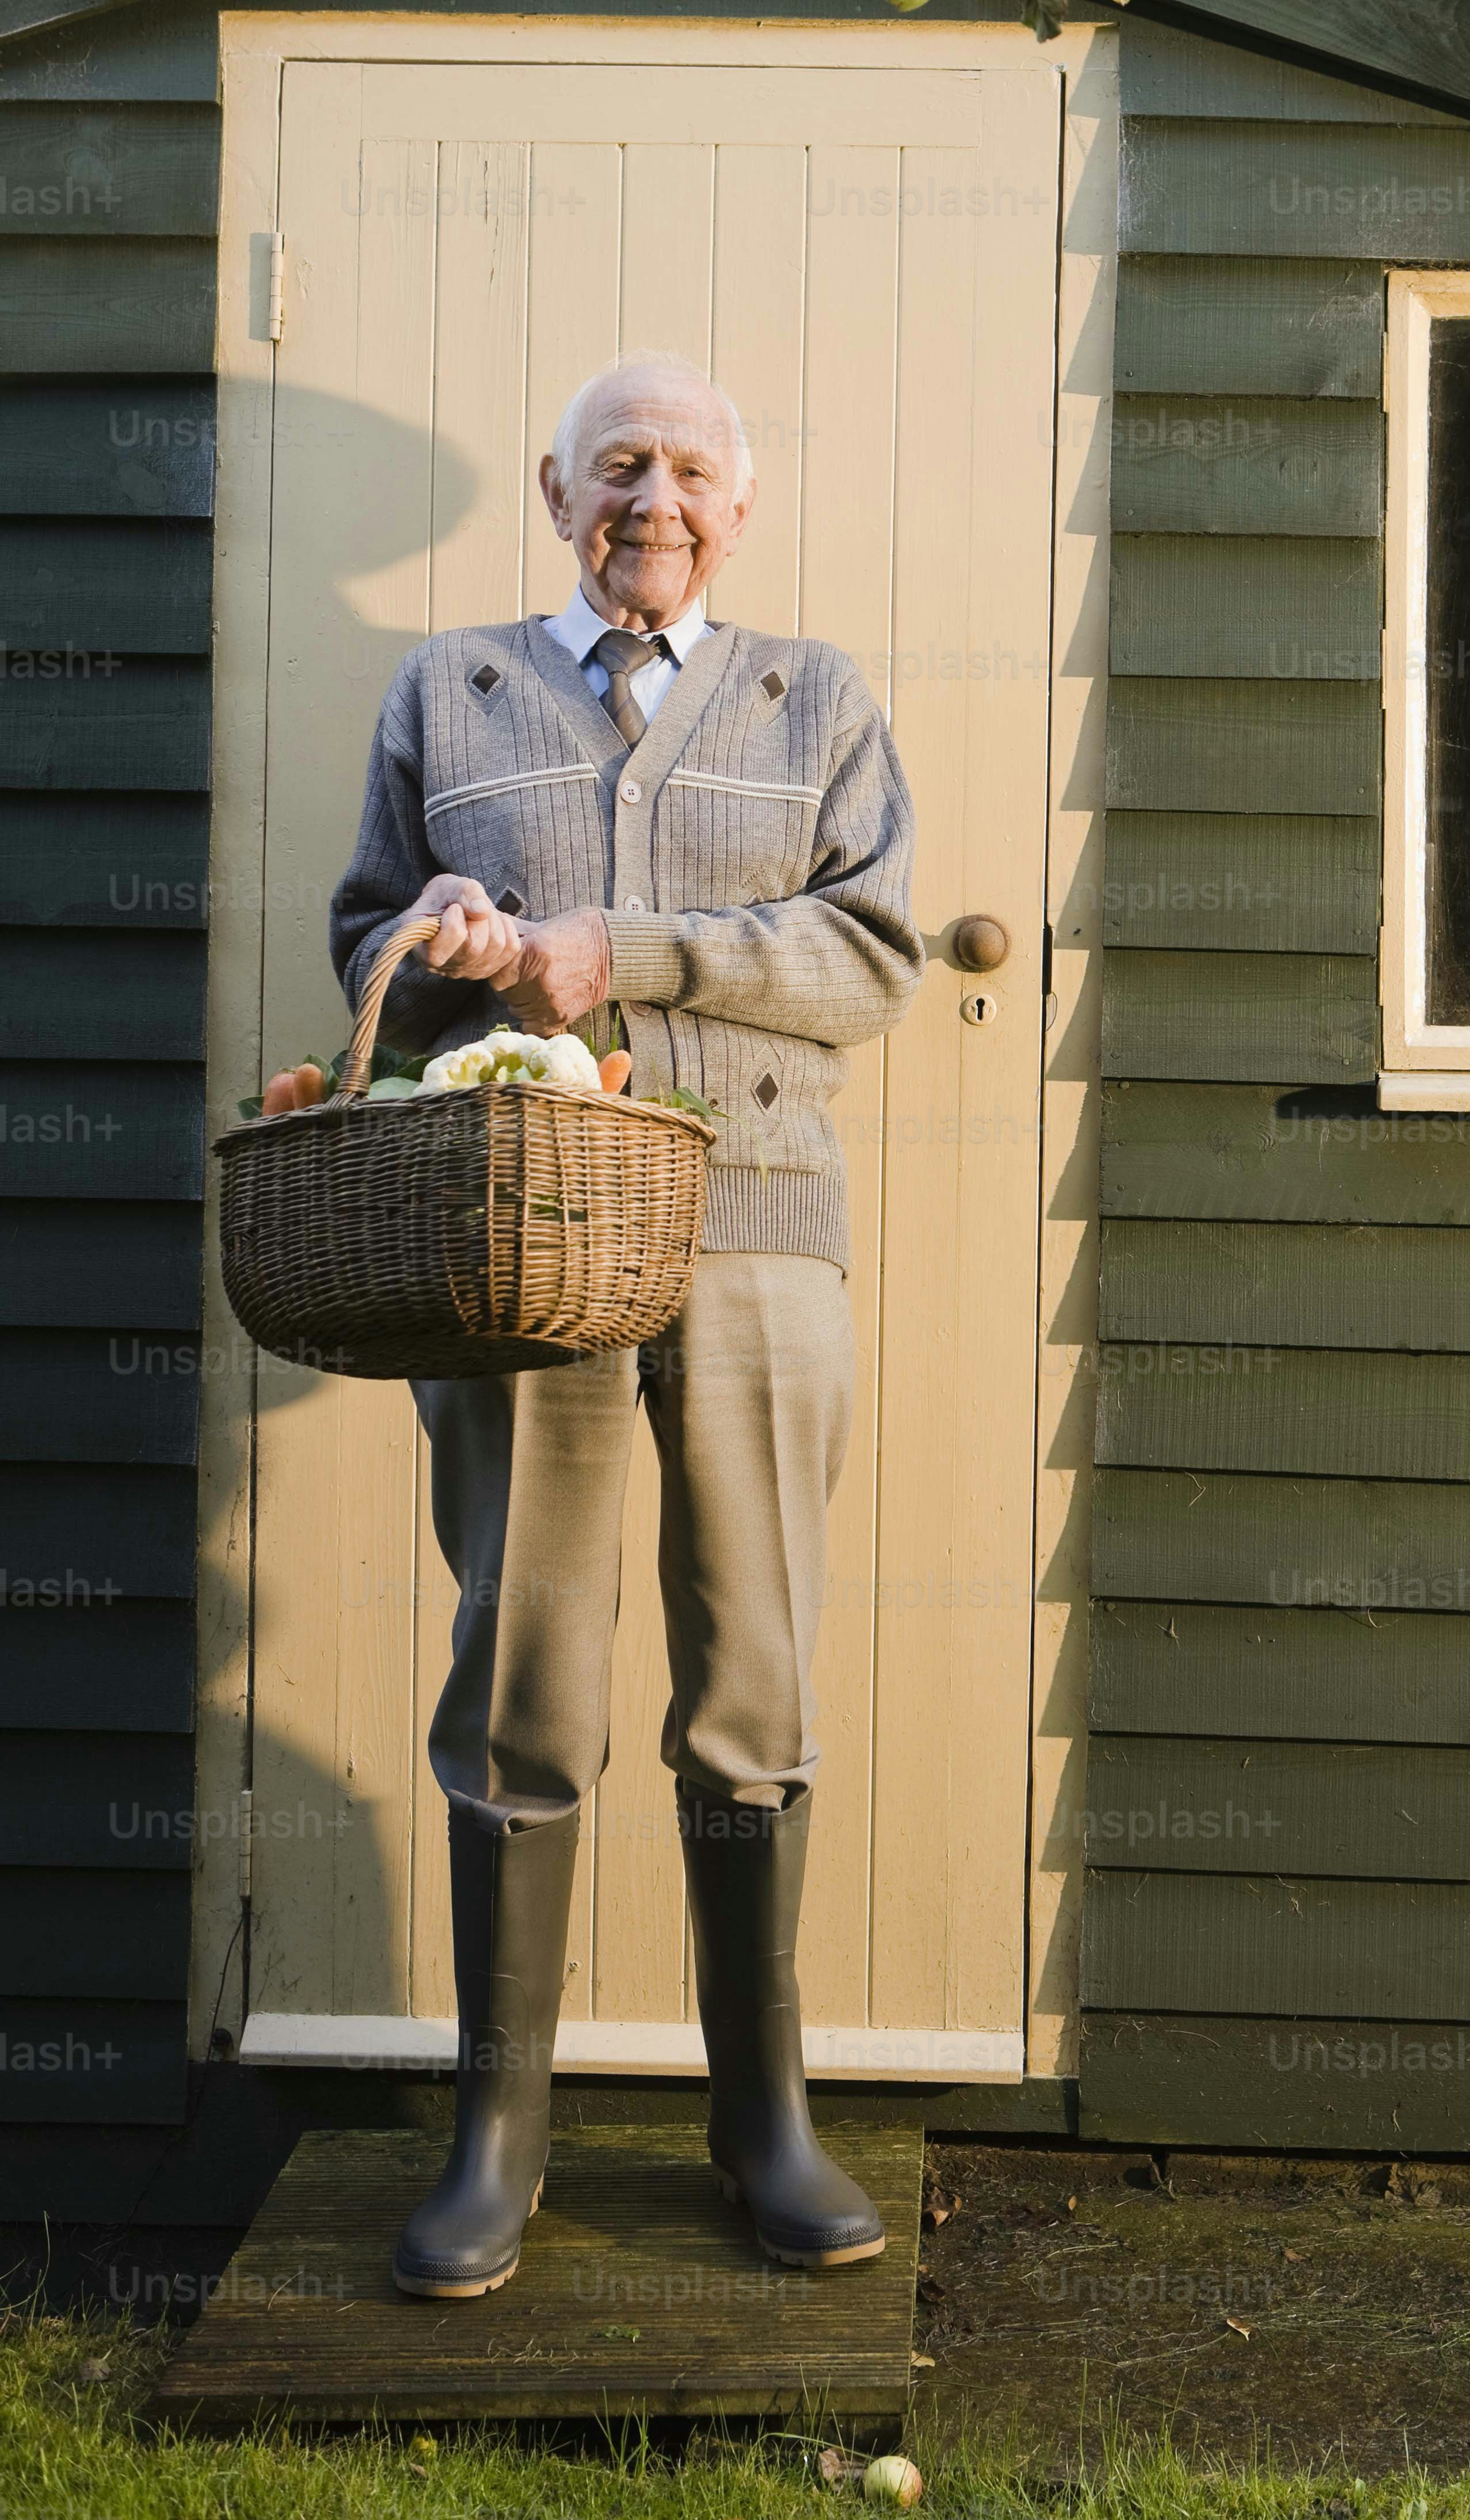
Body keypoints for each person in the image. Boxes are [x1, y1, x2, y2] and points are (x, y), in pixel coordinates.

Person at [330, 351, 923, 2301]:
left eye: (684, 469)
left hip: (759, 1246)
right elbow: (360, 949)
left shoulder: (813, 697)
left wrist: (623, 953)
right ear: (553, 488)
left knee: (747, 1674)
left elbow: (869, 954)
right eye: (613, 464)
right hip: (520, 1254)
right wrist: (433, 941)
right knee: (520, 1670)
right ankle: (497, 2139)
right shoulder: (451, 691)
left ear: (736, 509)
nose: (648, 495)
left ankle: (762, 2126)